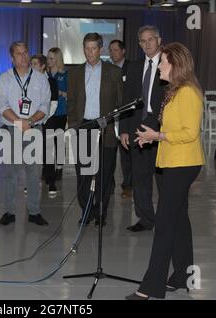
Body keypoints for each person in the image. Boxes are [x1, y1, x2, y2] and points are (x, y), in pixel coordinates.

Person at [126, 42, 204, 300]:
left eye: (163, 62)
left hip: (183, 164)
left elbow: (190, 133)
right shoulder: (173, 91)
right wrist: (153, 137)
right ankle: (182, 275)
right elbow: (171, 127)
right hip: (171, 160)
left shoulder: (189, 93)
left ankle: (151, 288)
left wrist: (158, 135)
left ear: (175, 65)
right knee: (179, 220)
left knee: (165, 224)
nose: (159, 65)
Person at [67, 33, 123, 227]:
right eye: (86, 48)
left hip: (105, 129)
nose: (89, 52)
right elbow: (72, 102)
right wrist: (74, 125)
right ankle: (86, 210)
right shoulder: (74, 73)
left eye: (93, 48)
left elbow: (120, 102)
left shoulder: (113, 72)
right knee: (83, 173)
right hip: (83, 127)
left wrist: (117, 128)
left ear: (100, 49)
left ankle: (101, 211)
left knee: (104, 174)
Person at [0, 41, 51, 226]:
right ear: (12, 58)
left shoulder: (41, 78)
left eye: (26, 52)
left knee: (34, 172)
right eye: (19, 53)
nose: (24, 56)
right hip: (11, 129)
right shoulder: (5, 78)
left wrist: (31, 121)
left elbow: (45, 105)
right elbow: (2, 105)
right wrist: (20, 122)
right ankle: (9, 212)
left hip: (34, 128)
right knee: (11, 172)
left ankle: (34, 211)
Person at [119, 25, 166, 232]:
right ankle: (146, 219)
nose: (147, 44)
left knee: (164, 178)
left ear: (159, 40)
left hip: (162, 129)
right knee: (140, 177)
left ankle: (167, 218)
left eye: (150, 40)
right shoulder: (135, 67)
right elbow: (127, 100)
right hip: (138, 128)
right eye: (142, 41)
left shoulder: (169, 65)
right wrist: (124, 129)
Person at [31, 53, 61, 197]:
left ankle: (51, 182)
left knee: (48, 152)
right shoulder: (28, 81)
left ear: (43, 66)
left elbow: (54, 103)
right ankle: (32, 182)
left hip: (48, 120)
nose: (32, 66)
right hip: (32, 122)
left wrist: (42, 118)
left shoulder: (51, 81)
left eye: (35, 64)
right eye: (31, 64)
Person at [109, 39, 132, 199]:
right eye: (110, 50)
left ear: (123, 51)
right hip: (110, 117)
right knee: (109, 152)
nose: (112, 53)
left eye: (115, 50)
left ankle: (128, 185)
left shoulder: (132, 68)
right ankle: (108, 185)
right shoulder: (107, 69)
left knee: (126, 154)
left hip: (125, 116)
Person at [46, 48, 68, 185]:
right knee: (47, 142)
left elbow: (70, 93)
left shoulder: (65, 75)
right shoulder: (44, 75)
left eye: (52, 58)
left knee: (58, 141)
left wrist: (59, 92)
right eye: (48, 58)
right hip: (46, 113)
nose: (49, 61)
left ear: (58, 59)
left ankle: (59, 167)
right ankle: (47, 169)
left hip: (60, 112)